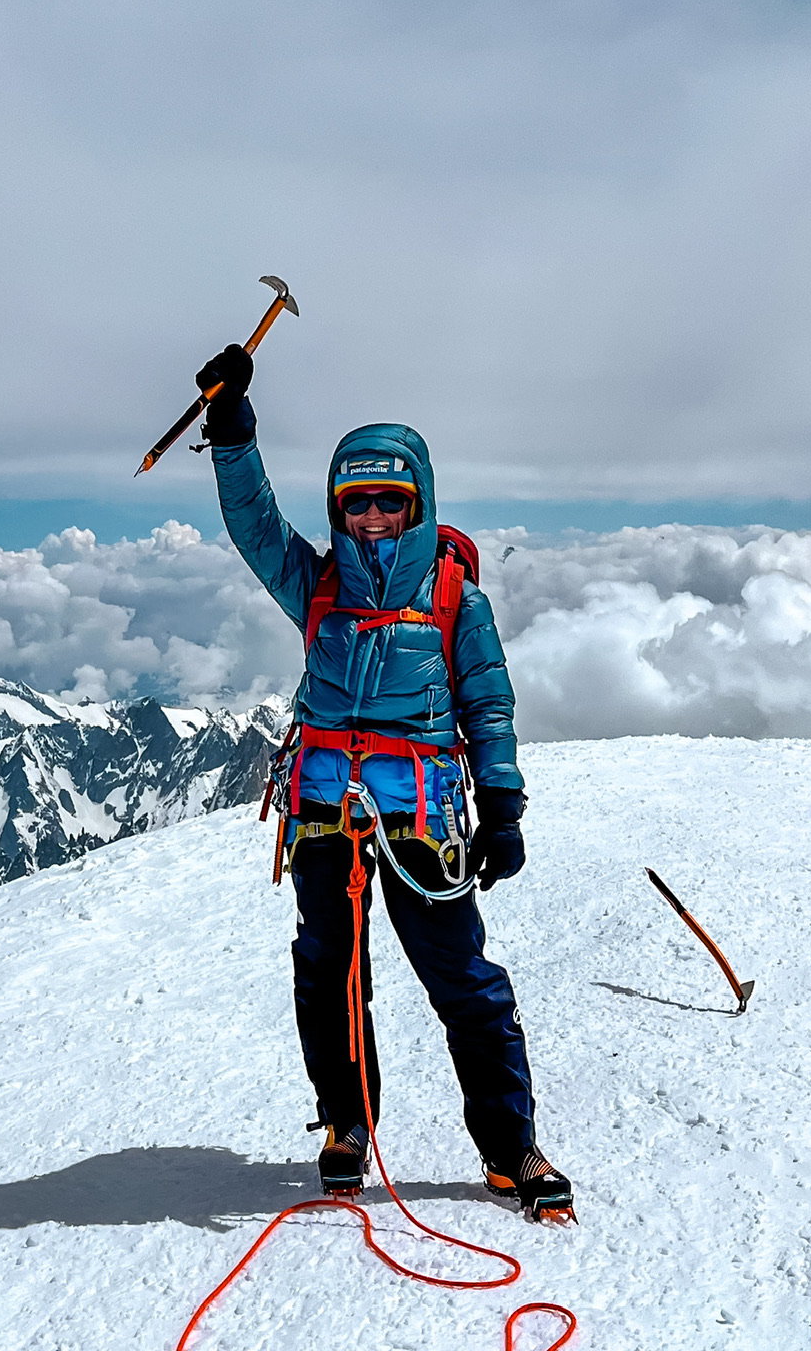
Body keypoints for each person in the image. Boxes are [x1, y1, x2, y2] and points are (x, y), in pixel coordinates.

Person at [197, 342, 574, 1225]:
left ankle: (511, 1146)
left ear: (417, 502)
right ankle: (345, 1122)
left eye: (388, 500)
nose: (370, 516)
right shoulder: (318, 584)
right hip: (325, 812)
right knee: (330, 973)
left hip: (422, 815)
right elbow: (255, 526)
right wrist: (232, 430)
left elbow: (487, 702)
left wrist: (503, 806)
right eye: (355, 501)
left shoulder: (453, 597)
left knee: (463, 979)